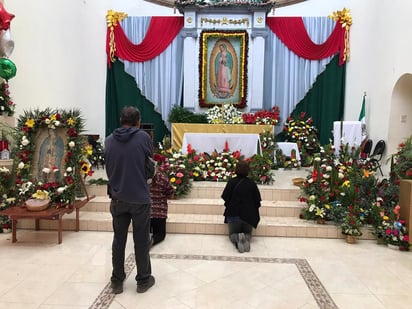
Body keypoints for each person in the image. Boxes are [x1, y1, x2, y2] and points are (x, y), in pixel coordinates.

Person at [104, 106, 155, 295]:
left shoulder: (108, 141)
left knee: (119, 239)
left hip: (117, 197)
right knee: (141, 240)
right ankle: (143, 280)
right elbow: (149, 164)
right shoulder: (143, 137)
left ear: (121, 120)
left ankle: (117, 280)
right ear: (138, 121)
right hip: (139, 197)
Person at [221, 160, 261, 253]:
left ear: (236, 169)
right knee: (248, 233)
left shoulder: (231, 182)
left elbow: (225, 198)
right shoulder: (252, 184)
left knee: (232, 234)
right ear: (248, 170)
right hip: (249, 217)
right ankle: (246, 237)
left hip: (233, 215)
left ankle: (237, 237)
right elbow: (257, 202)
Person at [149, 153, 174, 246]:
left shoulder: (141, 178)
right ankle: (153, 240)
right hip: (160, 212)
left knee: (145, 230)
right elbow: (170, 193)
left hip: (145, 212)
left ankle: (145, 239)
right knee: (160, 234)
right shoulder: (162, 178)